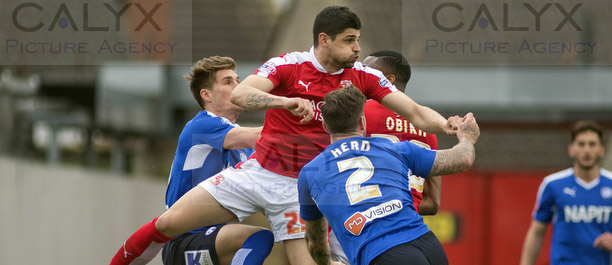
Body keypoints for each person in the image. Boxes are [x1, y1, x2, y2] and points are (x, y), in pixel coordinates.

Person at [109, 6, 461, 265]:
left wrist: (447, 126)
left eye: (358, 40)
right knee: (169, 222)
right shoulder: (288, 65)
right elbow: (241, 95)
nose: (357, 49)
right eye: (349, 41)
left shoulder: (364, 76)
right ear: (324, 40)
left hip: (299, 188)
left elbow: (414, 111)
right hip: (258, 172)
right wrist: (285, 101)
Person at [112, 56, 274, 265]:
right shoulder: (202, 125)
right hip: (185, 240)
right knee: (258, 238)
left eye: (238, 80)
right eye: (228, 82)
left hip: (215, 238)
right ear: (206, 95)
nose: (238, 86)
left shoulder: (243, 145)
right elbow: (261, 136)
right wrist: (297, 119)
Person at [298, 86, 479, 265]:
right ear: (362, 122)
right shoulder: (395, 148)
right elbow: (462, 158)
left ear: (325, 126)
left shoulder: (309, 173)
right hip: (428, 245)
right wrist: (467, 136)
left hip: (382, 253)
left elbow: (315, 241)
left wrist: (327, 262)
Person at [327, 50, 442, 264]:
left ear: (388, 80)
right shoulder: (429, 130)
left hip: (356, 227)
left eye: (367, 71)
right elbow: (432, 203)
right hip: (409, 230)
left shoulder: (359, 115)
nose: (359, 76)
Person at [520, 120, 612, 265]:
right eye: (581, 144)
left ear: (601, 150)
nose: (586, 150)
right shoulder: (553, 185)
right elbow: (537, 231)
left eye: (592, 144)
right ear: (571, 149)